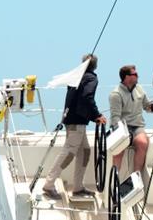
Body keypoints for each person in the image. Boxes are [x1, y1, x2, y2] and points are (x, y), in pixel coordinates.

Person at [42, 54, 107, 199]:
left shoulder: (76, 77)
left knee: (85, 152)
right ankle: (48, 185)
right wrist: (96, 115)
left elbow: (76, 99)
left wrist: (91, 117)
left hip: (74, 120)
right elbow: (87, 97)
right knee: (69, 153)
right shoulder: (91, 78)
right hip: (77, 123)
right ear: (95, 66)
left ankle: (78, 187)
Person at [109, 65, 153, 175]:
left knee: (143, 142)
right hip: (122, 127)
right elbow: (115, 117)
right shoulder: (115, 94)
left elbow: (146, 106)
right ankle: (114, 181)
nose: (137, 76)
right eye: (135, 74)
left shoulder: (139, 89)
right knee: (118, 149)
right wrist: (121, 135)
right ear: (127, 77)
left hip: (137, 127)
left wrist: (152, 107)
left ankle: (136, 177)